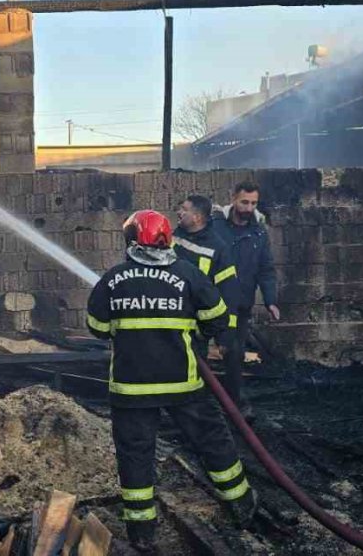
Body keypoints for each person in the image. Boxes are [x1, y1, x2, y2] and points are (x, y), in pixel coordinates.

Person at [87, 210, 256, 551]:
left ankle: (141, 530)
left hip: (131, 390)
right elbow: (218, 317)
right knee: (212, 440)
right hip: (183, 384)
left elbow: (98, 328)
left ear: (133, 240)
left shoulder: (113, 279)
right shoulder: (188, 274)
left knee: (135, 455)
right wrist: (195, 332)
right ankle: (240, 503)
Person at [212, 181, 280, 408]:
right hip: (210, 301)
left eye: (253, 203)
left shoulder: (259, 232)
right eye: (244, 202)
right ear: (233, 198)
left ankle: (235, 403)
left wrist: (270, 301)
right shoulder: (215, 226)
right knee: (198, 351)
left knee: (235, 353)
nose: (249, 208)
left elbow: (266, 268)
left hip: (240, 304)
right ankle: (196, 401)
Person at [173, 194, 241, 357]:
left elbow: (228, 292)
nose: (179, 212)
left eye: (184, 209)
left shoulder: (218, 249)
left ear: (197, 217)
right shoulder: (172, 238)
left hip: (194, 331)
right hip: (167, 322)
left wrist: (225, 337)